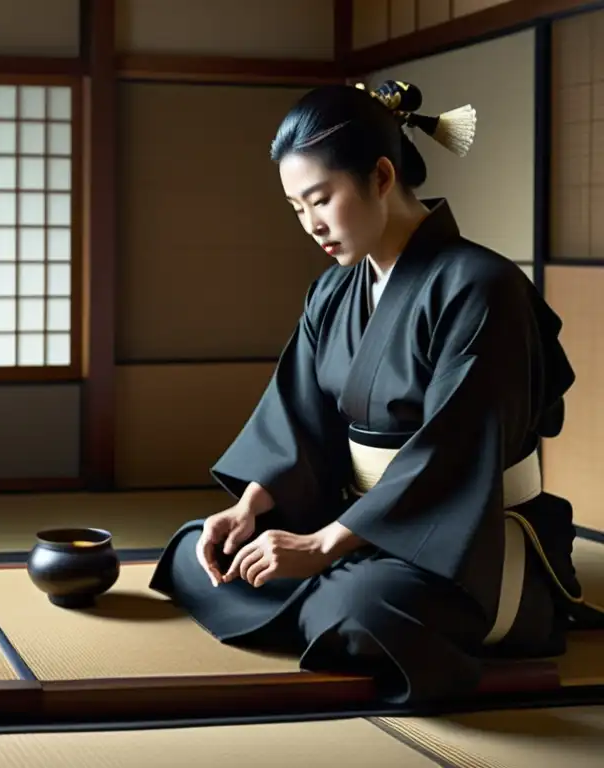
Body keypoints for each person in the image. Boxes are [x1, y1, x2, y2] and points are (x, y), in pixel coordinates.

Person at [148, 80, 604, 705]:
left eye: (321, 200)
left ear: (382, 176)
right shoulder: (333, 292)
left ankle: (352, 593)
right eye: (295, 209)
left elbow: (453, 451)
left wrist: (323, 544)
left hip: (468, 536)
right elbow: (300, 419)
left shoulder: (482, 288)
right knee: (198, 550)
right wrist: (253, 505)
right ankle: (326, 587)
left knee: (362, 608)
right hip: (367, 525)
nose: (311, 225)